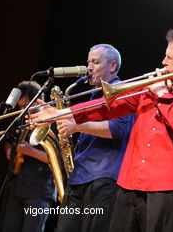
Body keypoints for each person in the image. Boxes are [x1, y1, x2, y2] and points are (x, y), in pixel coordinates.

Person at [29, 26, 173, 232]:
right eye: (165, 56)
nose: (163, 62)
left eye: (170, 58)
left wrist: (162, 94)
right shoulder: (149, 89)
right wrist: (59, 114)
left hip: (166, 187)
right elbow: (104, 108)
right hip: (128, 183)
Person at [53, 44, 135, 232]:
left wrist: (76, 126)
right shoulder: (92, 95)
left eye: (95, 62)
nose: (89, 67)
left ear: (112, 66)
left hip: (103, 177)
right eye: (88, 62)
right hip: (80, 176)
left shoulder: (120, 90)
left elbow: (118, 129)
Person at [0, 81, 57, 232]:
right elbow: (9, 142)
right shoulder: (22, 120)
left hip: (40, 190)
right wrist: (9, 150)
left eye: (26, 106)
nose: (23, 110)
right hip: (17, 186)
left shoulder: (54, 121)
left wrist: (29, 151)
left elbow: (58, 159)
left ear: (38, 100)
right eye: (20, 107)